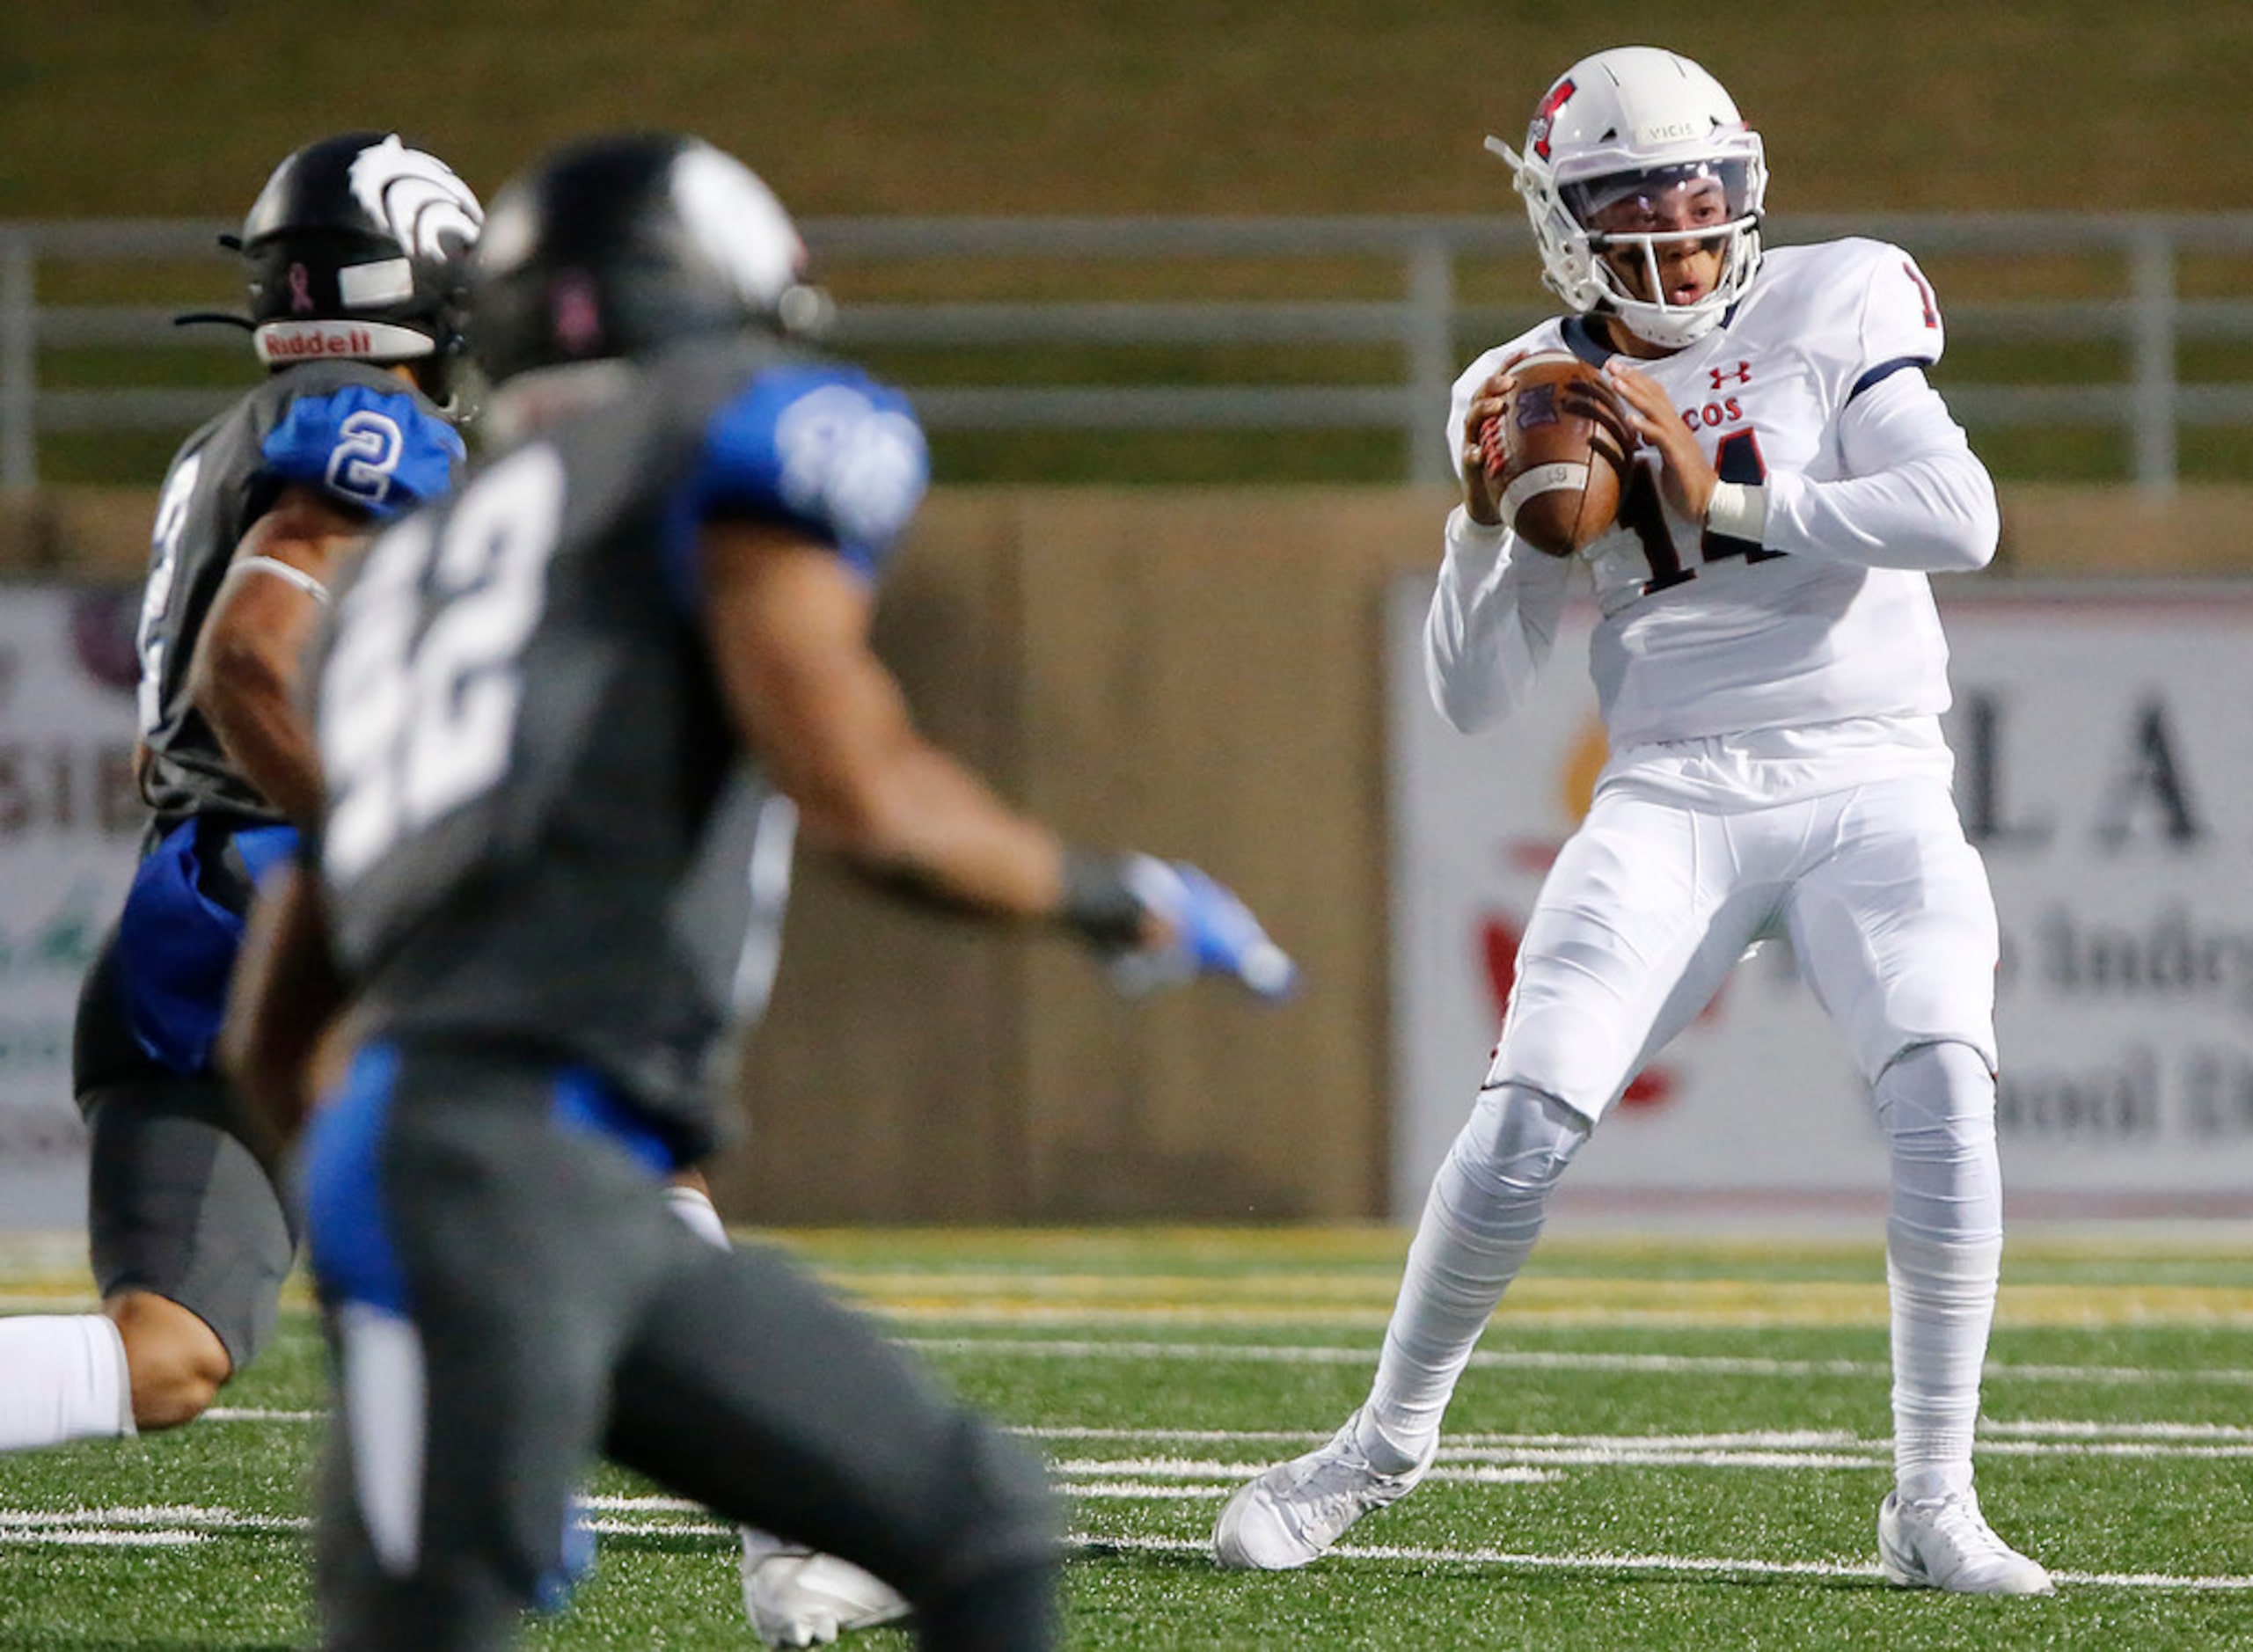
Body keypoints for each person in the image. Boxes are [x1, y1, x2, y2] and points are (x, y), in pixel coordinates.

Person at [221, 131, 1298, 1652]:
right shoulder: (721, 431)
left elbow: (275, 1031)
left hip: (514, 1178)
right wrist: (1115, 894)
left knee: (972, 1516)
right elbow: (865, 796)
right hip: (512, 1166)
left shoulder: (403, 573)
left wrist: (394, 1252)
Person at [1211, 45, 2052, 1597]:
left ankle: (1931, 1495)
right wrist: (1478, 531)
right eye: (1620, 193)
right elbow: (1472, 696)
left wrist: (1723, 495)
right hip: (1670, 782)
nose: (1667, 217)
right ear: (1560, 219)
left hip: (1873, 767)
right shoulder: (1523, 387)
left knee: (1945, 1082)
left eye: (1690, 182)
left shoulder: (1843, 293)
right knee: (1525, 1113)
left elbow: (1961, 519)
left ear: (1742, 183)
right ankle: (1376, 1450)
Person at [0, 131, 479, 1454]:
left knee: (166, 1357)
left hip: (190, 908)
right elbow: (251, 660)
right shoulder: (375, 424)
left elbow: (178, 732)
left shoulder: (231, 438)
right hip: (287, 912)